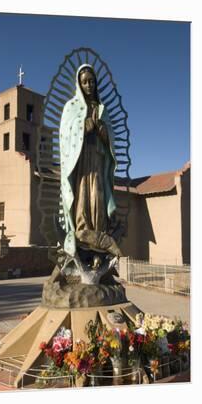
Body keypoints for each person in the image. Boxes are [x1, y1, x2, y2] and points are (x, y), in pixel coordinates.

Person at [59, 63, 118, 259]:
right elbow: (64, 134)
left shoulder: (102, 108)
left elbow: (111, 136)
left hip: (98, 158)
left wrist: (103, 131)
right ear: (79, 84)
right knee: (83, 193)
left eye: (91, 81)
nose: (88, 85)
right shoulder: (71, 106)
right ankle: (82, 230)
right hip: (81, 160)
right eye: (84, 82)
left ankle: (99, 231)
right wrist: (81, 126)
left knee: (98, 194)